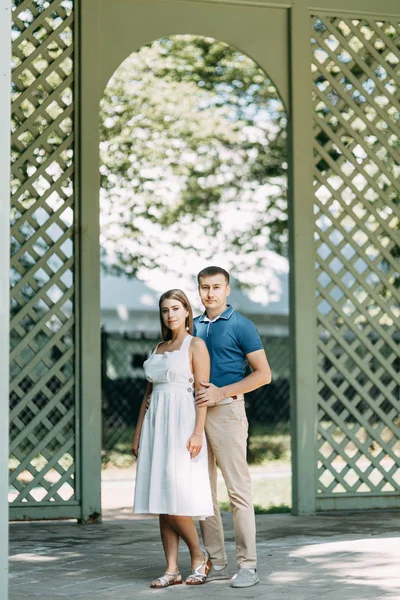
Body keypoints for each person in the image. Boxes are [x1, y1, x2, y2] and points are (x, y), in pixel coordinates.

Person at [194, 266, 272, 588]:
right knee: (202, 493)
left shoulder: (242, 325)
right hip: (195, 416)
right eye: (203, 287)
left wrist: (222, 392)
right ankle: (218, 561)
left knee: (237, 492)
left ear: (227, 290)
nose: (209, 293)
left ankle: (248, 566)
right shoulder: (193, 326)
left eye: (216, 287)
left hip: (227, 411)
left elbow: (263, 374)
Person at [131, 289, 214, 588]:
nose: (171, 314)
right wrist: (139, 432)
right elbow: (149, 393)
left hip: (181, 423)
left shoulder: (196, 345)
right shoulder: (158, 347)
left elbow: (202, 394)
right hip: (156, 425)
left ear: (187, 311)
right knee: (161, 497)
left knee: (175, 496)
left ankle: (199, 556)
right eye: (166, 310)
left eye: (176, 308)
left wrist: (197, 432)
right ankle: (171, 569)